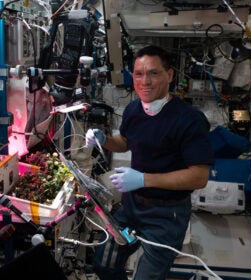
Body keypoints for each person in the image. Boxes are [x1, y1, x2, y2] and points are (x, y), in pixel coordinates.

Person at [85, 45, 215, 280]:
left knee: (148, 276)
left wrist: (143, 179)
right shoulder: (134, 109)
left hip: (166, 215)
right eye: (138, 74)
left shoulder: (190, 120)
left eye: (154, 73)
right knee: (105, 262)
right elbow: (125, 142)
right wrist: (103, 140)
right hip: (131, 208)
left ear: (170, 75)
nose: (144, 81)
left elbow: (199, 176)